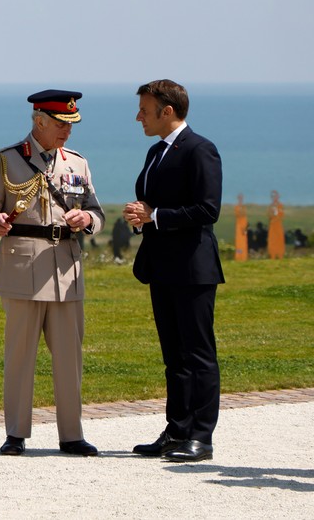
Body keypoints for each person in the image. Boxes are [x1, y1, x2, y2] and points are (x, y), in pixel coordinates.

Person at [0, 89, 104, 457]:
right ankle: (15, 434)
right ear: (40, 121)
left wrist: (87, 219)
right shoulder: (7, 160)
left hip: (66, 272)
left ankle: (72, 435)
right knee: (20, 356)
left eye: (71, 124)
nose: (68, 131)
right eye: (61, 124)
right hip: (23, 270)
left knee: (70, 358)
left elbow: (97, 213)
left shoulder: (77, 163)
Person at [123, 79, 223, 463]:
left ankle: (201, 436)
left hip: (193, 269)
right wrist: (141, 217)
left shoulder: (200, 149)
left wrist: (156, 216)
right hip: (161, 266)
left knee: (198, 354)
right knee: (174, 357)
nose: (139, 117)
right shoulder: (155, 151)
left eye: (144, 110)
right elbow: (153, 205)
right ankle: (176, 431)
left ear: (167, 111)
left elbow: (208, 209)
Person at [267, 190, 285, 260]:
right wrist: (272, 214)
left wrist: (277, 213)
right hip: (272, 225)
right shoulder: (270, 206)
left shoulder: (280, 205)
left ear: (278, 197)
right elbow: (269, 216)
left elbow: (282, 215)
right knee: (272, 240)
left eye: (275, 196)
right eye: (273, 196)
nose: (274, 197)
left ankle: (280, 255)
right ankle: (272, 255)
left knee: (279, 239)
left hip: (278, 225)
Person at [234, 193, 248, 261]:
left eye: (241, 198)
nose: (240, 199)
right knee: (238, 242)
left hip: (243, 226)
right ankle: (238, 255)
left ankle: (244, 256)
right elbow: (238, 214)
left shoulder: (244, 207)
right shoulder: (237, 207)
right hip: (238, 226)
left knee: (244, 241)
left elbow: (244, 215)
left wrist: (245, 228)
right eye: (239, 198)